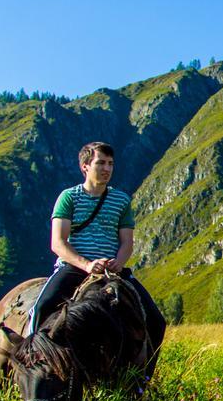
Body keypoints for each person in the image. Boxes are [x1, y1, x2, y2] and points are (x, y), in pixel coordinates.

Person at [26, 141, 165, 348]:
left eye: (110, 163)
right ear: (85, 166)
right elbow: (58, 242)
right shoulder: (69, 197)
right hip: (74, 268)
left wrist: (119, 262)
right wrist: (86, 265)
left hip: (112, 271)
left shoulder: (121, 200)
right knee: (42, 308)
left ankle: (143, 378)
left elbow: (127, 241)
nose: (107, 169)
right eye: (101, 163)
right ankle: (33, 357)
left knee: (156, 321)